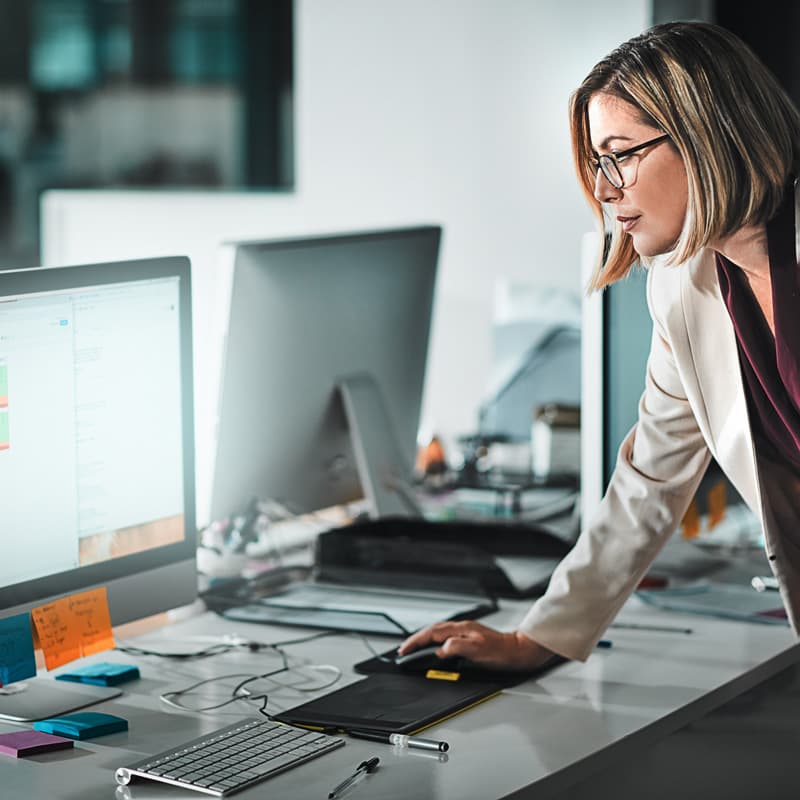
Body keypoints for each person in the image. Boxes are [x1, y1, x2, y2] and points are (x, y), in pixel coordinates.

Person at [399, 20, 800, 670]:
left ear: (705, 136)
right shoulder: (682, 283)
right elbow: (652, 476)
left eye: (622, 154)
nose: (606, 189)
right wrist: (542, 637)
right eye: (596, 162)